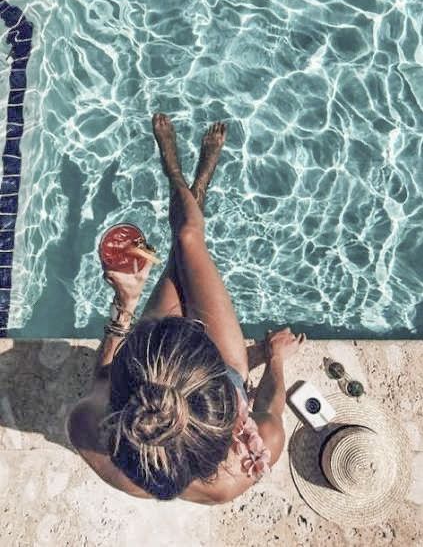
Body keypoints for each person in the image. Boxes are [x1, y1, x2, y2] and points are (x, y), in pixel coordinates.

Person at [66, 113, 306, 504]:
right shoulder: (241, 468)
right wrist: (275, 359)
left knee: (182, 253)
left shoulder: (89, 430)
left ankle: (175, 172)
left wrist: (126, 305)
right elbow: (268, 404)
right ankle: (196, 186)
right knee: (189, 237)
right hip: (222, 365)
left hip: (168, 363)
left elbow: (102, 379)